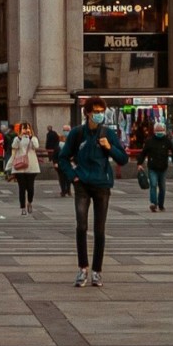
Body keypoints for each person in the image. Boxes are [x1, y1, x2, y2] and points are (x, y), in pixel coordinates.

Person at [62, 97, 127, 286]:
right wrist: (73, 176)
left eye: (101, 111)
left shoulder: (108, 133)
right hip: (82, 183)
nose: (99, 114)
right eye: (96, 111)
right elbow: (63, 157)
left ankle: (97, 270)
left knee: (100, 229)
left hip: (102, 184)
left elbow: (123, 158)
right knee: (81, 226)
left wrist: (110, 147)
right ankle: (83, 268)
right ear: (87, 113)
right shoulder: (77, 133)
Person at [5, 122, 42, 214]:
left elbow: (36, 146)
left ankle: (29, 202)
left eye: (27, 128)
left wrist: (30, 138)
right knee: (22, 188)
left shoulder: (33, 138)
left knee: (30, 187)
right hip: (19, 166)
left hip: (31, 166)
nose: (26, 130)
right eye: (24, 128)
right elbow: (14, 146)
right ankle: (23, 207)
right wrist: (20, 138)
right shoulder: (17, 138)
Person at [139, 122, 173, 214]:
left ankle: (161, 204)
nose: (160, 132)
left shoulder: (167, 141)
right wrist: (139, 163)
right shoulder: (149, 141)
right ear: (154, 131)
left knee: (162, 187)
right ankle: (153, 203)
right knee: (153, 185)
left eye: (161, 130)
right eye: (158, 130)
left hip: (163, 167)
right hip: (152, 167)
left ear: (164, 131)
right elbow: (143, 153)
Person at [46, 127, 69, 197]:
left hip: (65, 164)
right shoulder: (58, 147)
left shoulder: (67, 146)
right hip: (61, 164)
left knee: (66, 178)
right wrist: (55, 163)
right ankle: (64, 190)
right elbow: (55, 156)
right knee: (63, 178)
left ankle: (67, 190)